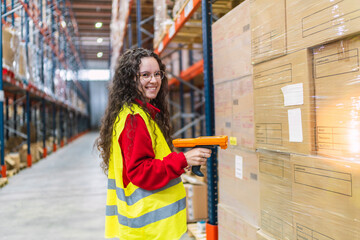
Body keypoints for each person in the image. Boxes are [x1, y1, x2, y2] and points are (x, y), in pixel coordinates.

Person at [96, 48, 211, 240]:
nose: (154, 80)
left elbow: (149, 159)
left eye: (158, 74)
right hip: (153, 228)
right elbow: (141, 171)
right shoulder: (135, 119)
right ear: (131, 79)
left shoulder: (134, 113)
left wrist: (179, 161)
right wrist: (182, 160)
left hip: (148, 226)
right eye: (145, 75)